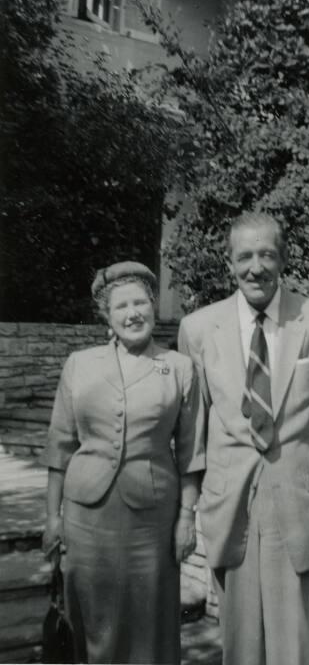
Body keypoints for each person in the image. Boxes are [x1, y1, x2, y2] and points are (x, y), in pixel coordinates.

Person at [178, 212, 309, 665]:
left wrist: (305, 464)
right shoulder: (198, 328)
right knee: (240, 635)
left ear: (284, 258)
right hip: (230, 498)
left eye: (267, 254)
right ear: (230, 262)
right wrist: (190, 503)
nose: (256, 267)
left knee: (301, 635)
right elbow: (195, 428)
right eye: (245, 256)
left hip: (297, 493)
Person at [42, 261, 205, 665]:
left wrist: (187, 518)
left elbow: (192, 452)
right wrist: (51, 516)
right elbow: (59, 446)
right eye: (121, 307)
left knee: (150, 616)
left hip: (152, 518)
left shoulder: (179, 368)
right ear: (107, 316)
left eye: (140, 303)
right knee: (91, 614)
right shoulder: (79, 364)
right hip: (86, 516)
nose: (132, 313)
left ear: (153, 306)